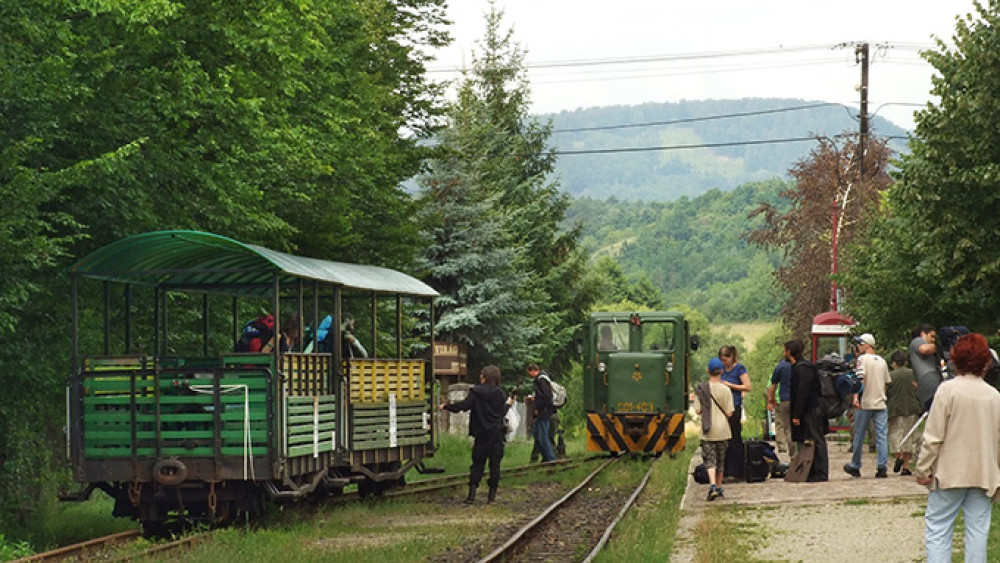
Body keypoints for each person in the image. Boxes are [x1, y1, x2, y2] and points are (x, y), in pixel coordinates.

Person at [914, 333, 1000, 562]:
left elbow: (933, 437)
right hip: (983, 474)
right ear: (986, 362)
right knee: (977, 532)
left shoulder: (947, 391)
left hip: (949, 473)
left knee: (939, 530)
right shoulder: (995, 396)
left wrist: (923, 469)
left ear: (955, 359)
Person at [440, 365, 515, 504]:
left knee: (477, 464)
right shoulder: (500, 393)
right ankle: (491, 497)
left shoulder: (475, 392)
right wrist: (509, 404)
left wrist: (447, 406)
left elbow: (463, 406)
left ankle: (471, 495)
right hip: (496, 434)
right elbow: (501, 413)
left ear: (484, 377)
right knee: (495, 465)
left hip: (481, 434)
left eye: (481, 375)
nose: (480, 377)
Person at [843, 333, 891, 478]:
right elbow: (887, 382)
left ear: (867, 345)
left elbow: (860, 379)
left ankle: (855, 464)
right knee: (881, 436)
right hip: (881, 403)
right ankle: (882, 466)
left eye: (860, 343)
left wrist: (856, 397)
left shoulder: (862, 359)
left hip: (866, 403)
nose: (858, 346)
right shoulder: (882, 361)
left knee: (859, 434)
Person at [693, 357, 735, 501]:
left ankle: (711, 485)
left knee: (710, 460)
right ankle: (718, 486)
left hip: (707, 429)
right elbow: (730, 412)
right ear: (721, 371)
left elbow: (698, 411)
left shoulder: (701, 389)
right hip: (723, 430)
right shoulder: (726, 389)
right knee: (721, 460)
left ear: (707, 371)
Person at [787, 339, 828, 482]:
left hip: (811, 410)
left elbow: (802, 392)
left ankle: (821, 473)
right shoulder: (802, 366)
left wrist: (797, 414)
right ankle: (811, 471)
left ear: (789, 352)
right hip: (810, 409)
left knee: (817, 440)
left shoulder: (802, 368)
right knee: (810, 440)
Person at [719, 345, 751, 479]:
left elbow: (747, 386)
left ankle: (736, 471)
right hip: (721, 408)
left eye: (725, 360)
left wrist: (730, 385)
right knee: (722, 440)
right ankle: (723, 470)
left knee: (734, 438)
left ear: (731, 357)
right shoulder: (720, 369)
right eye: (722, 360)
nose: (724, 362)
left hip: (734, 406)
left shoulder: (739, 369)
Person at [887, 349, 921, 475]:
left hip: (896, 409)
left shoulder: (891, 375)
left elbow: (887, 392)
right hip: (912, 408)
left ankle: (898, 456)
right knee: (909, 437)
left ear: (894, 363)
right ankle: (906, 467)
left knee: (895, 435)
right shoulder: (913, 374)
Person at [527, 362, 557, 462]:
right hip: (542, 411)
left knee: (543, 436)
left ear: (533, 371)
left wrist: (539, 408)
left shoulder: (542, 380)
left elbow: (547, 397)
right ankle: (546, 458)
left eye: (529, 373)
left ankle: (551, 459)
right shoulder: (541, 379)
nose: (529, 375)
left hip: (544, 411)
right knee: (536, 433)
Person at [766, 356, 793, 454]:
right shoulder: (793, 368)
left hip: (778, 400)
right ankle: (793, 448)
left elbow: (770, 387)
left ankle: (782, 446)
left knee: (780, 424)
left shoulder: (777, 370)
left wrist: (770, 400)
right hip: (790, 399)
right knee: (790, 425)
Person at [910, 324, 939, 411]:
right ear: (923, 334)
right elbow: (924, 349)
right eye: (932, 336)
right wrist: (939, 346)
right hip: (928, 380)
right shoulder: (917, 341)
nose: (933, 340)